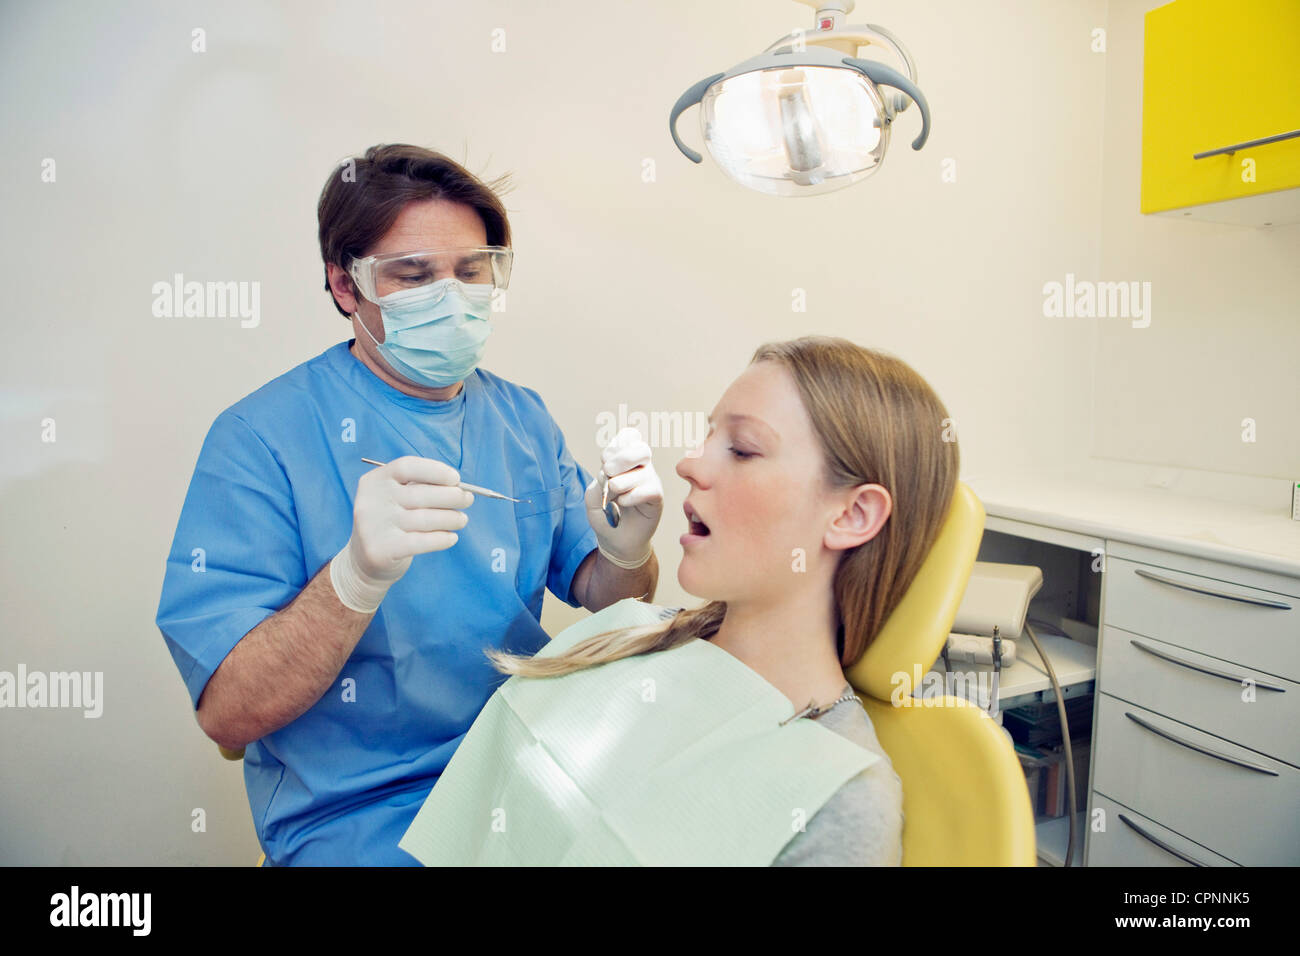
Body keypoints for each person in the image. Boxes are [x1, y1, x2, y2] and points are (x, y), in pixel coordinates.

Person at [155, 144, 663, 865]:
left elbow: (603, 599)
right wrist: (353, 579)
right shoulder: (260, 440)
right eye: (415, 275)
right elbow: (230, 715)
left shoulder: (521, 418)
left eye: (471, 270)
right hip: (360, 823)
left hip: (530, 778)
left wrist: (628, 553)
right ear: (344, 285)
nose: (452, 296)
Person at [399, 335, 961, 866]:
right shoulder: (623, 635)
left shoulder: (839, 797)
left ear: (851, 514)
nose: (690, 465)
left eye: (741, 449)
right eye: (708, 437)